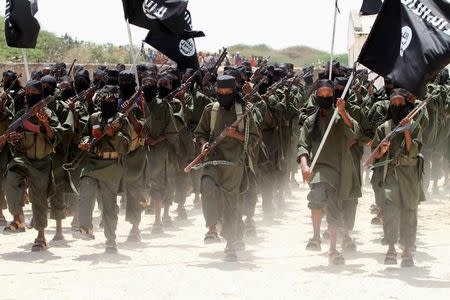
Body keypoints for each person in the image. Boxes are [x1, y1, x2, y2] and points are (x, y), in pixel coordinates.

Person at [194, 75, 259, 261]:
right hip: (213, 161)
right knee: (207, 184)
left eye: (227, 93)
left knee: (231, 205)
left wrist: (236, 135)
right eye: (220, 93)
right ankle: (212, 227)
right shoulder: (210, 110)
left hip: (235, 164)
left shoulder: (244, 112)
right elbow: (200, 134)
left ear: (234, 92)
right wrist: (204, 145)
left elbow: (254, 140)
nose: (223, 96)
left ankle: (231, 244)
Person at [298, 79, 361, 265]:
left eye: (328, 95)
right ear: (316, 96)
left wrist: (342, 112)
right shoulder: (310, 121)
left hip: (339, 168)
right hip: (318, 168)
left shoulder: (339, 117)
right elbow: (302, 146)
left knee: (335, 206)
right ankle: (316, 237)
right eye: (321, 95)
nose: (325, 98)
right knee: (316, 195)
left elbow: (354, 131)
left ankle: (333, 249)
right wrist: (304, 166)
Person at [3, 80, 63, 251]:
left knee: (40, 200)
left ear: (41, 93)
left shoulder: (49, 114)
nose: (30, 95)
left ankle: (41, 237)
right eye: (27, 92)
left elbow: (55, 138)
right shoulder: (22, 113)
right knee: (11, 179)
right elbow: (13, 137)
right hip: (23, 158)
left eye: (34, 92)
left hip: (42, 162)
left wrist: (44, 123)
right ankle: (17, 217)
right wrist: (13, 139)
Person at [74, 85, 131, 253]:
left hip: (111, 166)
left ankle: (111, 239)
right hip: (92, 162)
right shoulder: (94, 117)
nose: (108, 102)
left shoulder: (122, 120)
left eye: (111, 100)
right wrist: (84, 141)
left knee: (109, 206)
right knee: (85, 192)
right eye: (104, 100)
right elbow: (84, 134)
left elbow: (126, 146)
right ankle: (85, 228)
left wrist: (114, 133)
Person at [371, 88, 422, 267]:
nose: (397, 106)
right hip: (390, 175)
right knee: (391, 211)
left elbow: (413, 151)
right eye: (394, 104)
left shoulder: (415, 126)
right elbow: (374, 155)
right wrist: (382, 150)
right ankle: (391, 248)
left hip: (409, 177)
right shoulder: (383, 128)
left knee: (409, 213)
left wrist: (407, 130)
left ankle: (407, 250)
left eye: (401, 103)